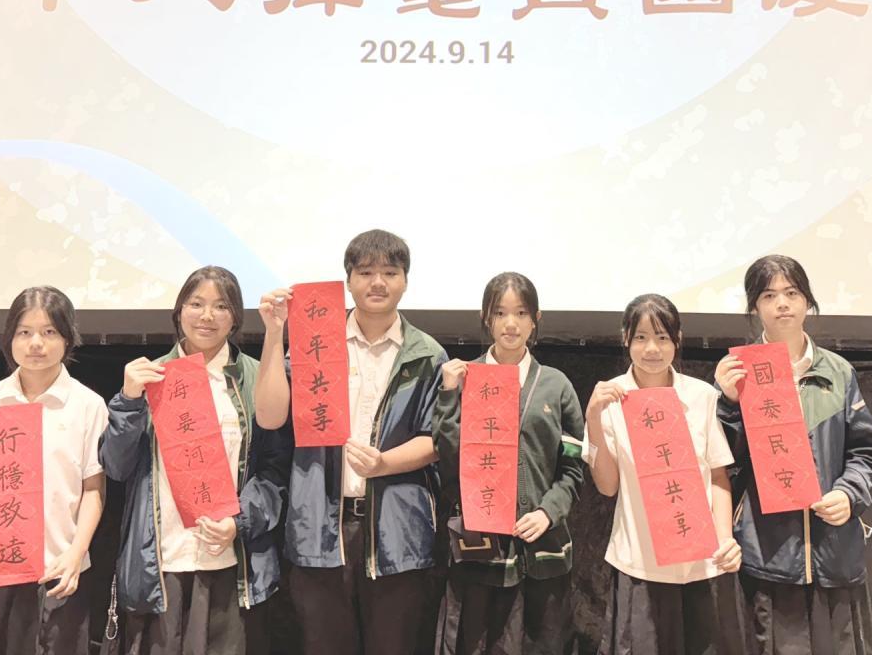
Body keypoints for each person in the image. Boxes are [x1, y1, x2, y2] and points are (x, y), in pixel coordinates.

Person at [255, 229, 447, 655]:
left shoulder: (427, 354)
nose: (377, 282)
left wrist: (384, 464)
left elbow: (437, 439)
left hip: (397, 534)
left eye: (390, 272)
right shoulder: (315, 342)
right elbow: (269, 417)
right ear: (348, 279)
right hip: (319, 528)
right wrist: (273, 333)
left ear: (405, 280)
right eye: (365, 272)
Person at [99, 265, 290, 655]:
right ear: (179, 311)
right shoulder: (149, 377)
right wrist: (129, 401)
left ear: (235, 318)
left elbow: (274, 469)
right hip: (161, 558)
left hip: (231, 561)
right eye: (196, 304)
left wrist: (240, 521)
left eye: (221, 306)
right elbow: (116, 467)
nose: (207, 316)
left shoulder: (256, 377)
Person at [713, 255, 872, 655]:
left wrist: (848, 494)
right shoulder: (737, 373)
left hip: (834, 551)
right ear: (755, 307)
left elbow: (865, 451)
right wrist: (729, 403)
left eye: (791, 292)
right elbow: (723, 462)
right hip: (769, 553)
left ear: (808, 300)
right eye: (769, 295)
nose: (782, 304)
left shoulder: (838, 372)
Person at [0, 285, 108, 655]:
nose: (36, 344)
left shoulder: (88, 405)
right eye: (24, 332)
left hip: (55, 570)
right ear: (9, 338)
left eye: (49, 332)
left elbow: (94, 489)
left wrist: (77, 553)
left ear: (68, 338)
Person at [433, 271, 584, 655]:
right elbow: (448, 459)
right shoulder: (464, 379)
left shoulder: (556, 385)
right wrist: (448, 395)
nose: (510, 323)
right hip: (482, 548)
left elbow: (573, 467)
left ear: (535, 320)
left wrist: (548, 512)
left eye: (521, 313)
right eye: (500, 313)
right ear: (486, 318)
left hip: (542, 547)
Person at [583, 294, 744, 655]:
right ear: (626, 338)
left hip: (702, 565)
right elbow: (607, 486)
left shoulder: (701, 396)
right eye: (641, 337)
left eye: (662, 337)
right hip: (640, 565)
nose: (652, 349)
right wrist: (593, 418)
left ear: (677, 340)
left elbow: (718, 476)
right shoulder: (610, 400)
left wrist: (724, 538)